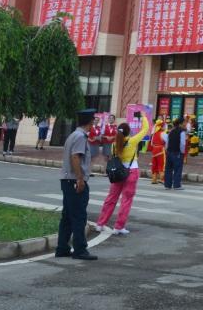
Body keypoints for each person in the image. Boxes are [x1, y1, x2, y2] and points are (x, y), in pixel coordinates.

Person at [96, 112, 149, 235]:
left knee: (111, 198)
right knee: (126, 200)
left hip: (118, 173)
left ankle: (100, 223)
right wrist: (143, 116)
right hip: (131, 172)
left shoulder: (115, 144)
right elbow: (145, 129)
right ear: (128, 132)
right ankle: (118, 227)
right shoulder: (132, 141)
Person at [57, 109, 98, 260]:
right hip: (74, 181)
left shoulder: (73, 135)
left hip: (67, 180)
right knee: (79, 216)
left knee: (68, 216)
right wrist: (80, 179)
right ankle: (80, 249)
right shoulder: (80, 136)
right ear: (90, 121)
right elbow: (75, 157)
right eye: (93, 120)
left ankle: (62, 248)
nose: (94, 123)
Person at [164, 117, 187, 190]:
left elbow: (167, 142)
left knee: (168, 169)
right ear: (180, 124)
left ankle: (167, 185)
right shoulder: (182, 132)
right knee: (178, 169)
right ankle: (177, 185)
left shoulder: (171, 131)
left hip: (169, 152)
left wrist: (167, 150)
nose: (185, 124)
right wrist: (182, 152)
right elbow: (182, 144)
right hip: (177, 152)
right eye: (184, 122)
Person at [148, 117, 166, 184]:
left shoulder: (154, 134)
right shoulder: (163, 133)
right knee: (161, 165)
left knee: (154, 165)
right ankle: (162, 179)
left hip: (154, 151)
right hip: (161, 150)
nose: (164, 127)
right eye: (163, 126)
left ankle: (154, 179)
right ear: (161, 127)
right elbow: (168, 142)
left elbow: (151, 143)